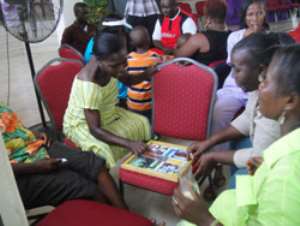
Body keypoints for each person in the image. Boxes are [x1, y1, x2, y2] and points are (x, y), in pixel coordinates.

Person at [172, 44, 300, 226]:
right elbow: (247, 120)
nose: (260, 85)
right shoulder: (287, 151)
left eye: (266, 80)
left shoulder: (287, 178)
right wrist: (264, 169)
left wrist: (206, 220)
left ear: (290, 101)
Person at [0, 104, 127, 210]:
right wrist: (36, 167)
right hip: (15, 176)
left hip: (34, 146)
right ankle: (113, 218)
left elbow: (11, 129)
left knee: (94, 165)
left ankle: (126, 216)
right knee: (84, 187)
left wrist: (34, 133)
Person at [63, 32, 155, 168]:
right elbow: (94, 129)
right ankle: (116, 176)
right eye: (115, 65)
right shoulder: (89, 84)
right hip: (82, 124)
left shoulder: (111, 65)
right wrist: (129, 143)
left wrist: (148, 73)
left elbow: (128, 80)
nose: (121, 69)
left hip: (107, 112)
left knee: (142, 122)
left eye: (123, 63)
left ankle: (141, 167)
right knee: (104, 150)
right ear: (97, 59)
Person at [211, 0, 268, 152]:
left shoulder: (271, 38)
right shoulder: (235, 37)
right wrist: (250, 38)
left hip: (261, 88)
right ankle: (218, 158)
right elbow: (236, 66)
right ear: (244, 17)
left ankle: (257, 151)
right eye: (250, 14)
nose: (255, 18)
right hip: (236, 87)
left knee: (265, 119)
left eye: (259, 13)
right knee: (219, 111)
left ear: (265, 15)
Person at [175, 0, 230, 65]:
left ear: (208, 19)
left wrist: (176, 46)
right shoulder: (233, 36)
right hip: (223, 73)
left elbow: (179, 57)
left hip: (202, 74)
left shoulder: (199, 39)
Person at [127, 26, 161, 120]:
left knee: (135, 123)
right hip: (149, 103)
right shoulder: (155, 57)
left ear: (132, 43)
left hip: (132, 103)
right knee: (149, 122)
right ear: (148, 39)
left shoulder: (128, 58)